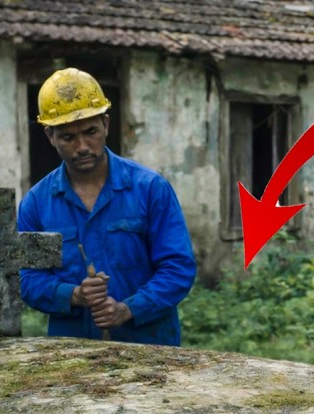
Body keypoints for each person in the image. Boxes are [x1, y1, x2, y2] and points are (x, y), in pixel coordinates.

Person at [18, 68, 196, 346]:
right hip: (72, 352)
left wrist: (129, 309)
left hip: (149, 348)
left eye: (91, 131)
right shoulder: (36, 203)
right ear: (50, 136)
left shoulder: (150, 189)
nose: (82, 146)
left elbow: (178, 267)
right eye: (68, 137)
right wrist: (73, 295)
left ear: (106, 124)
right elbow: (27, 278)